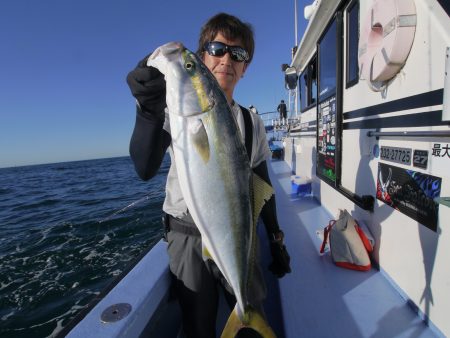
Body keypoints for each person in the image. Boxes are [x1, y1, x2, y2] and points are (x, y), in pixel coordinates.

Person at [127, 13, 291, 338]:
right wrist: (147, 110)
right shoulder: (176, 113)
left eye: (238, 54)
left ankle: (245, 316)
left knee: (252, 321)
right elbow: (144, 168)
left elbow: (262, 185)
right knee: (198, 327)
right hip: (187, 236)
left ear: (245, 67)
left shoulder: (252, 122)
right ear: (203, 56)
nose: (226, 59)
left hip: (239, 235)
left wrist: (275, 238)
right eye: (217, 49)